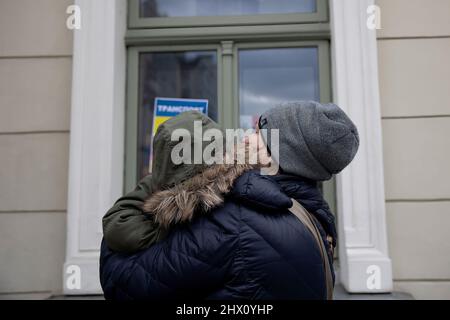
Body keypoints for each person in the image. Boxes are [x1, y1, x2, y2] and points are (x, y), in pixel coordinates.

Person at [100, 101, 359, 300]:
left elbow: (124, 282)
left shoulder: (236, 222)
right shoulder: (311, 213)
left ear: (276, 156)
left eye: (258, 133)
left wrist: (161, 179)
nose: (246, 137)